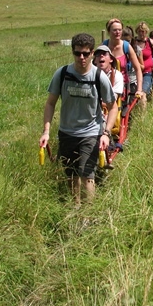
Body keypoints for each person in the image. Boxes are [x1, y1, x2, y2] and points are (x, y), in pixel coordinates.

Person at [40, 33, 118, 206]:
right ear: (73, 52)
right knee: (71, 175)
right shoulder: (62, 74)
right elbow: (50, 104)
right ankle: (75, 210)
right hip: (67, 132)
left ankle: (88, 216)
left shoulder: (99, 77)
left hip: (91, 133)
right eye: (77, 53)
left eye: (86, 53)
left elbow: (113, 107)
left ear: (92, 54)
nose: (81, 58)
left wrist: (106, 133)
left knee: (86, 174)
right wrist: (46, 131)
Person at [103, 18, 143, 98]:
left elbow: (138, 69)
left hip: (123, 88)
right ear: (109, 32)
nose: (117, 32)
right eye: (114, 30)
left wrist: (139, 89)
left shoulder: (126, 46)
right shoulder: (104, 46)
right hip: (106, 86)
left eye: (120, 30)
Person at [134, 21, 153, 96]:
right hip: (135, 73)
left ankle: (143, 105)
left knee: (143, 91)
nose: (141, 33)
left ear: (146, 32)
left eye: (143, 31)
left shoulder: (150, 42)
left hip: (148, 72)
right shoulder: (133, 43)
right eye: (139, 31)